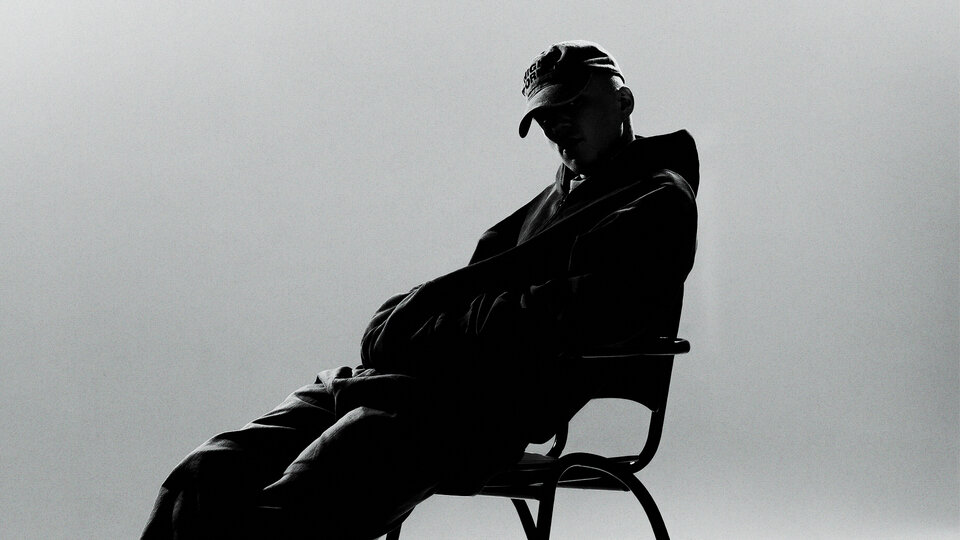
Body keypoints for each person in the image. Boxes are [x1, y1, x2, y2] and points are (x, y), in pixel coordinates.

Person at [142, 40, 699, 539]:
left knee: (293, 507)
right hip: (396, 385)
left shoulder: (658, 201)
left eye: (573, 105)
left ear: (623, 102)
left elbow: (581, 313)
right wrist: (424, 323)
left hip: (470, 414)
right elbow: (469, 303)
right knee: (202, 477)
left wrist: (431, 327)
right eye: (547, 116)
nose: (559, 127)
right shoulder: (536, 213)